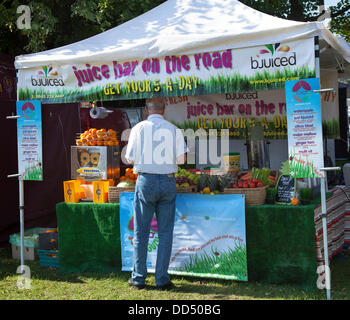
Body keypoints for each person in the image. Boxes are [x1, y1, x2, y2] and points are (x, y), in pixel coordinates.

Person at [125, 97, 187, 290]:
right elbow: (182, 160)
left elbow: (129, 158)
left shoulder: (137, 129)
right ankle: (162, 279)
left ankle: (138, 278)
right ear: (164, 108)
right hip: (168, 180)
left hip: (146, 182)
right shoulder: (173, 129)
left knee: (141, 233)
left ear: (146, 110)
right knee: (165, 233)